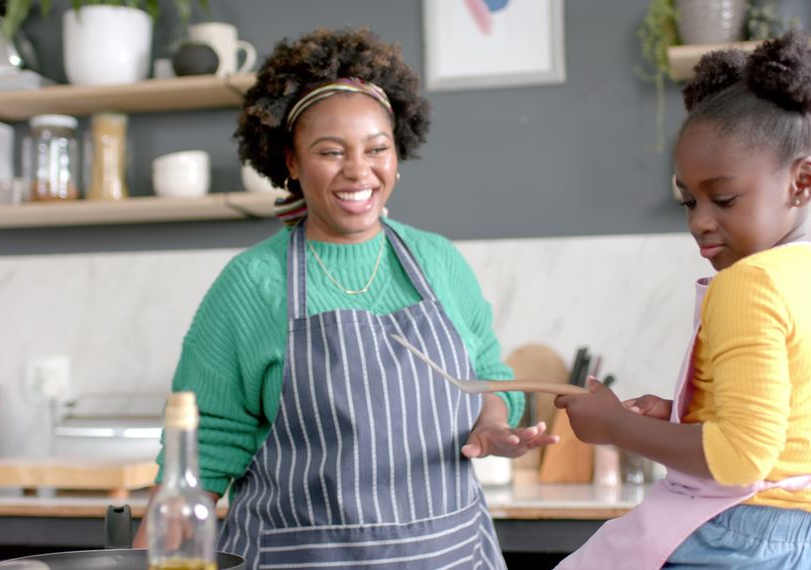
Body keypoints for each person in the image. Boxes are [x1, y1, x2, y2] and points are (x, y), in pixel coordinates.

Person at [134, 27, 556, 569]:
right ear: (291, 161)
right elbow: (203, 451)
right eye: (331, 152)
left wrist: (494, 423)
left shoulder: (440, 261)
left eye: (377, 148)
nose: (359, 171)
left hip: (450, 557)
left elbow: (492, 376)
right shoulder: (251, 285)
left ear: (397, 153)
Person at [553, 29, 811, 569]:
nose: (698, 221)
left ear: (801, 182)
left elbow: (740, 459)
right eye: (688, 200)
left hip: (744, 539)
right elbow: (789, 422)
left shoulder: (749, 281)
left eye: (723, 197)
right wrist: (679, 416)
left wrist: (616, 428)